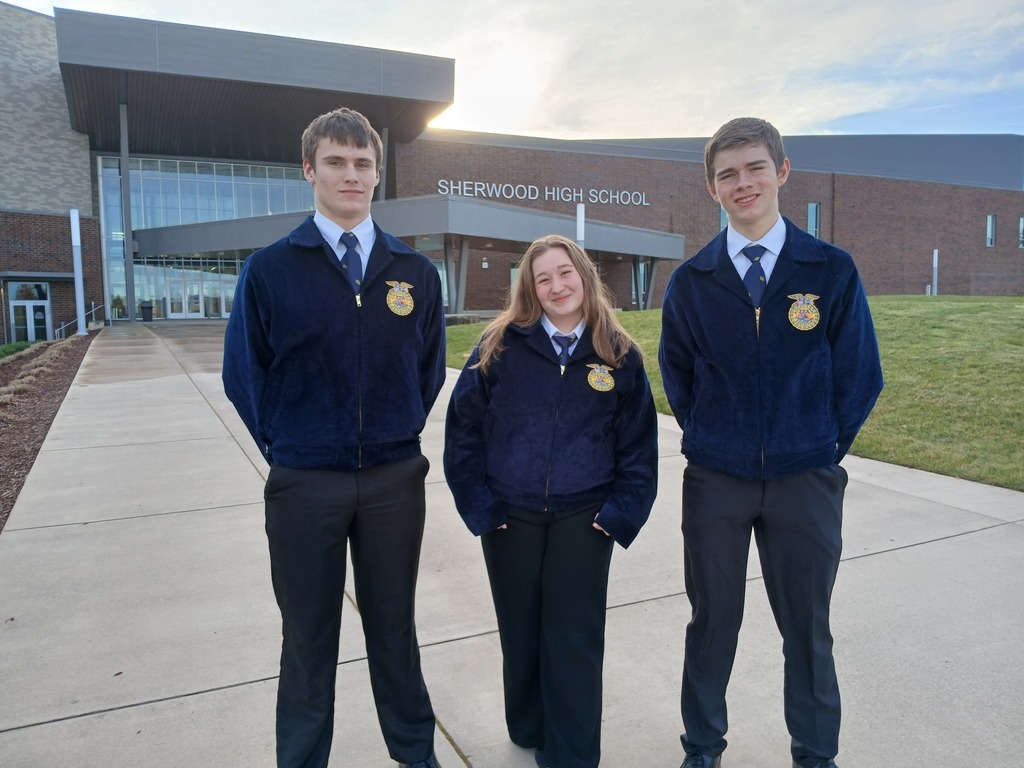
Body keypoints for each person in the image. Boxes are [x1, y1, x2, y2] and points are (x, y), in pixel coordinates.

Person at [222, 107, 446, 768]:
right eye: (336, 162)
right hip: (304, 484)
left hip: (392, 480)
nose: (351, 175)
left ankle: (416, 755)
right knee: (308, 639)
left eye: (362, 163)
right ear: (309, 170)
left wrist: (394, 430)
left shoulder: (416, 273)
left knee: (394, 631)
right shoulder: (270, 270)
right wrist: (294, 447)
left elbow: (426, 371)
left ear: (378, 173)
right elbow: (244, 376)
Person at [658, 117, 883, 768]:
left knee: (807, 631)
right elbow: (679, 377)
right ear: (712, 189)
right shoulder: (692, 282)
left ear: (782, 171)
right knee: (711, 626)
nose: (743, 183)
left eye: (755, 167)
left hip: (803, 480)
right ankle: (702, 750)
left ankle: (815, 755)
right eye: (728, 174)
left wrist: (812, 446)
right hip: (716, 482)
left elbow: (860, 376)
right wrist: (715, 439)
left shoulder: (830, 271)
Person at [444, 234, 659, 768]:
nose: (556, 286)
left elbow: (639, 449)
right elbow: (463, 432)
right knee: (520, 629)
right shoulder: (500, 345)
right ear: (530, 289)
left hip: (584, 518)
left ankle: (571, 754)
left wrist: (618, 517)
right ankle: (529, 724)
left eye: (565, 273)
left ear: (584, 276)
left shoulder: (619, 354)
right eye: (543, 278)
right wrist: (481, 509)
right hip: (508, 516)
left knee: (572, 638)